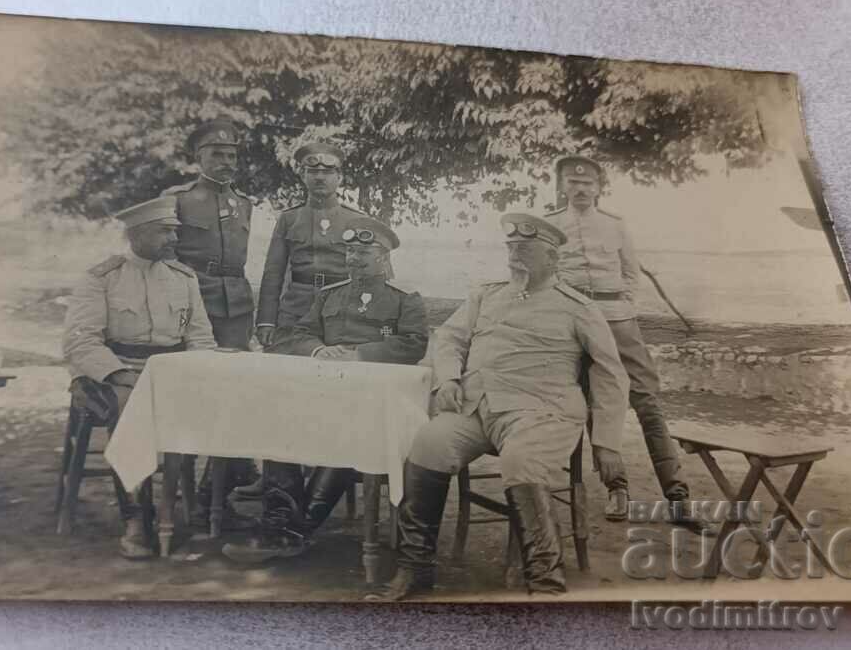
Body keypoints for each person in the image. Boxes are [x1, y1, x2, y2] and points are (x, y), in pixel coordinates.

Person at [367, 214, 629, 601]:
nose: (515, 256)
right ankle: (415, 570)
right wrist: (450, 379)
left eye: (525, 249)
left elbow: (611, 374)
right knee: (427, 443)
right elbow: (450, 339)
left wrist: (607, 442)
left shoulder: (578, 308)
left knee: (519, 461)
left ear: (553, 258)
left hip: (543, 413)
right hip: (478, 408)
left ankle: (545, 584)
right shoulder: (486, 295)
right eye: (511, 249)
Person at [223, 216, 429, 563]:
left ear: (384, 257)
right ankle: (281, 521)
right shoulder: (328, 295)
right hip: (322, 390)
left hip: (373, 399)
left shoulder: (404, 299)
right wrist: (319, 349)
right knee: (278, 422)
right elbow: (299, 334)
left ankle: (292, 531)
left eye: (362, 253)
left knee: (353, 430)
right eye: (349, 253)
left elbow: (414, 344)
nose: (353, 259)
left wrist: (359, 354)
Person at [546, 155, 704, 532]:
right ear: (562, 187)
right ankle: (616, 488)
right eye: (572, 182)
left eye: (588, 183)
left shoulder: (615, 226)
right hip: (574, 323)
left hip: (617, 321)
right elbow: (549, 277)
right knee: (592, 405)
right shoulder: (551, 226)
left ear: (599, 188)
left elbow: (631, 273)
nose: (580, 188)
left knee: (647, 401)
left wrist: (622, 306)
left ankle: (678, 496)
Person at [63, 196, 217, 559]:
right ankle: (136, 515)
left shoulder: (183, 278)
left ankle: (200, 506)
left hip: (171, 372)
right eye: (165, 232)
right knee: (129, 405)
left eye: (174, 231)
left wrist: (199, 371)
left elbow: (199, 337)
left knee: (219, 398)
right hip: (112, 373)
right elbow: (80, 340)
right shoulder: (102, 278)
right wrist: (118, 373)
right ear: (137, 233)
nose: (174, 240)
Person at [160, 119, 260, 518]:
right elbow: (166, 255)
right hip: (191, 302)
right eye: (217, 154)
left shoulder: (245, 203)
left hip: (236, 305)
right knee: (194, 390)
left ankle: (216, 483)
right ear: (197, 156)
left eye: (232, 154)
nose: (226, 161)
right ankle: (197, 483)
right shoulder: (179, 198)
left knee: (234, 389)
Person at [255, 142, 368, 349]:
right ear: (303, 176)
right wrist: (266, 320)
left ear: (339, 177)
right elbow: (273, 273)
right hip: (296, 310)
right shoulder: (289, 218)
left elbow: (368, 273)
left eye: (327, 172)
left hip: (340, 310)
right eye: (313, 171)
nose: (319, 177)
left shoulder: (356, 220)